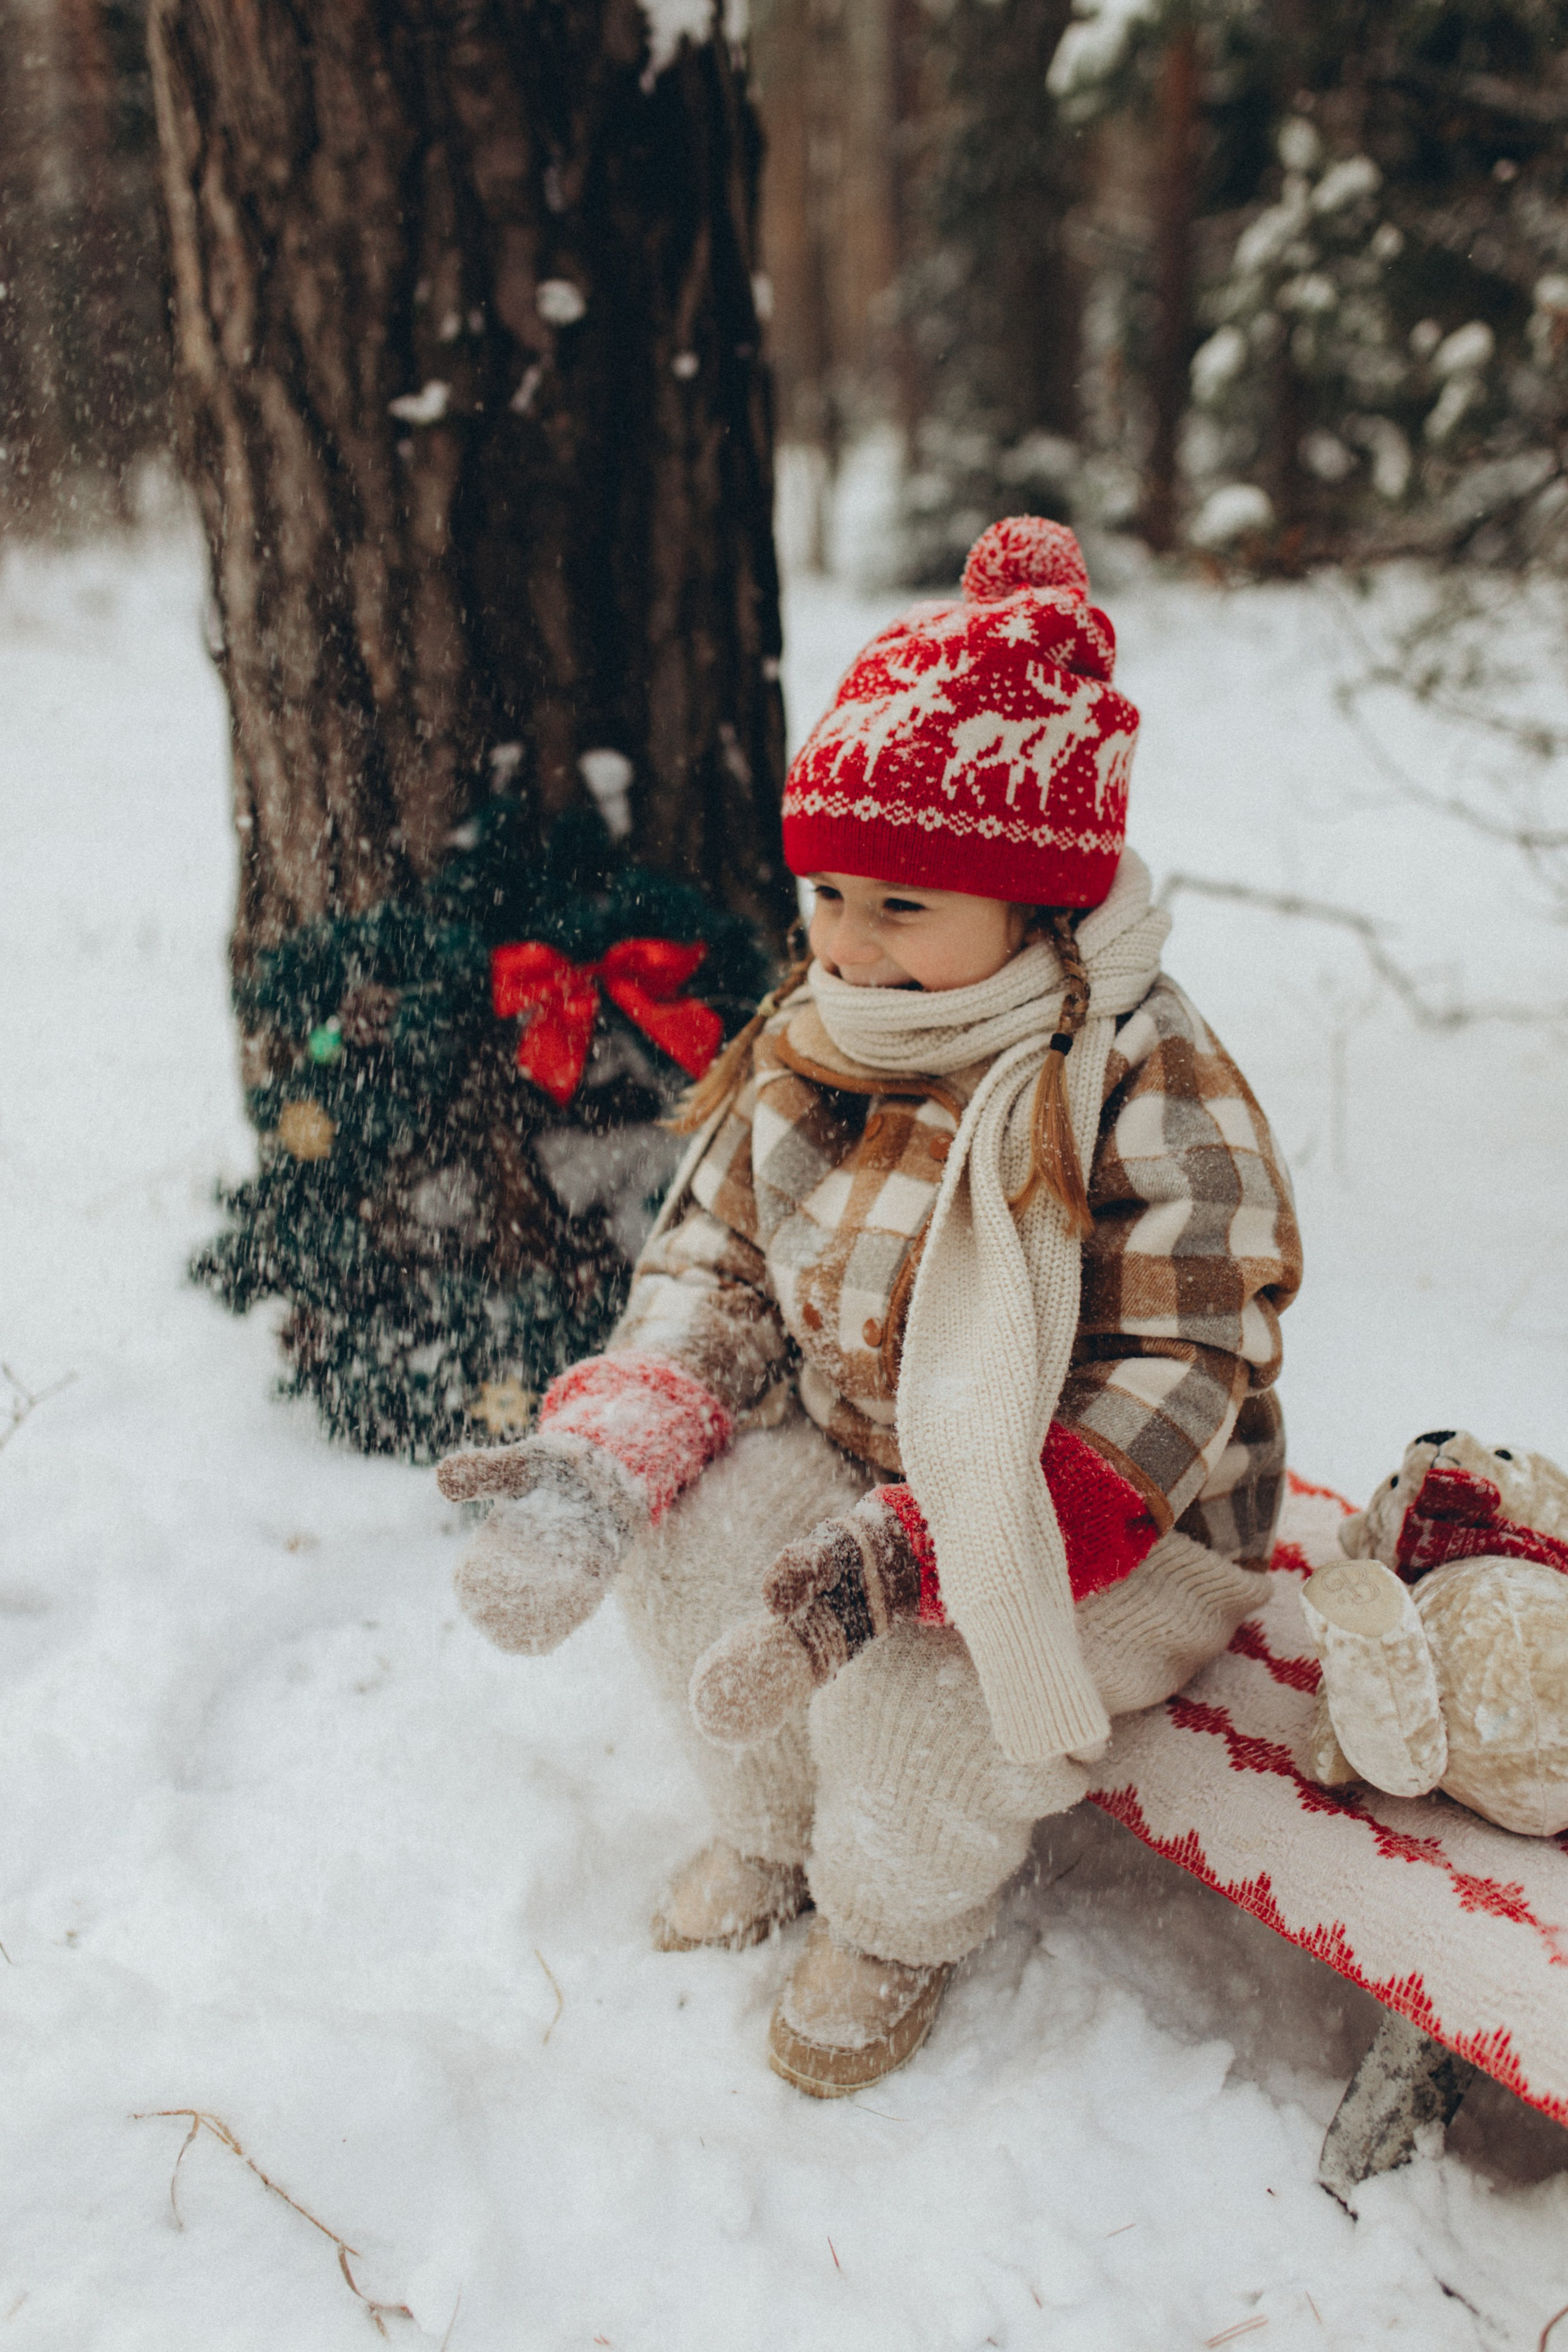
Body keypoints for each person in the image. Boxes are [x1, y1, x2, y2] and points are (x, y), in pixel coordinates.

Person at [437, 516, 1302, 2097]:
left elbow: (1181, 1360)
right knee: (695, 1536)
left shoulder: (1135, 1079)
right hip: (863, 1456)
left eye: (901, 907)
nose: (844, 941)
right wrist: (626, 1439)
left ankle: (893, 1917)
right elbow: (720, 1260)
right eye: (827, 891)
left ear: (1038, 904)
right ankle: (769, 1818)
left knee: (915, 1690)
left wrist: (927, 1552)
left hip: (1101, 1520)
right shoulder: (818, 1032)